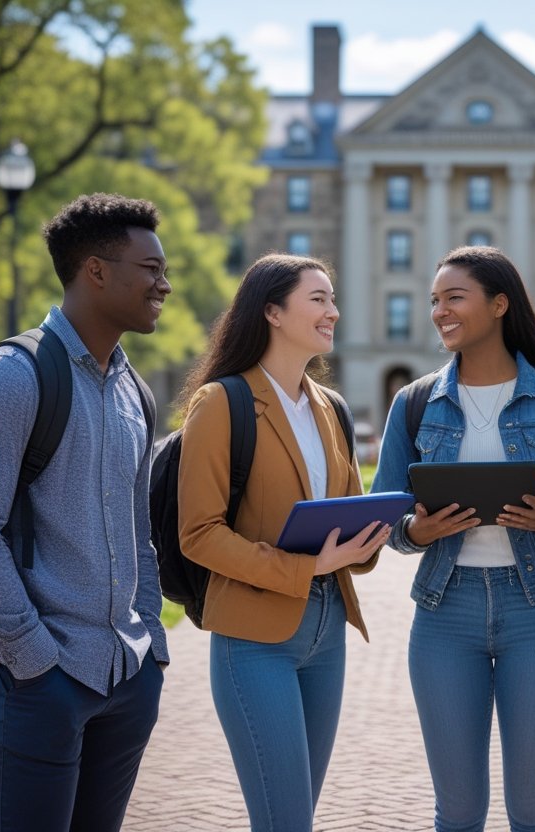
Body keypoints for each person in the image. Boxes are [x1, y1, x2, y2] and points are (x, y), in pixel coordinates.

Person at [0, 193, 171, 831]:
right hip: (40, 680)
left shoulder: (134, 391)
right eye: (150, 269)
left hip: (126, 672)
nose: (164, 284)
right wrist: (34, 660)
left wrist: (149, 644)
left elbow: (139, 535)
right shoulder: (11, 377)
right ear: (96, 271)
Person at [371, 246, 535, 832]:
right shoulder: (415, 403)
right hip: (446, 614)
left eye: (454, 298)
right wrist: (417, 531)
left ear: (499, 304)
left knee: (532, 811)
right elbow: (386, 517)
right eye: (434, 302)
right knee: (459, 812)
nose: (439, 311)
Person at [176, 253, 388, 832]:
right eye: (317, 299)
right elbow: (197, 533)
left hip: (327, 633)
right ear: (272, 311)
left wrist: (370, 535)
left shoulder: (331, 408)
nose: (334, 313)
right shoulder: (222, 403)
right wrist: (303, 567)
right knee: (286, 821)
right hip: (255, 639)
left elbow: (342, 514)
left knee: (293, 816)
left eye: (332, 299)